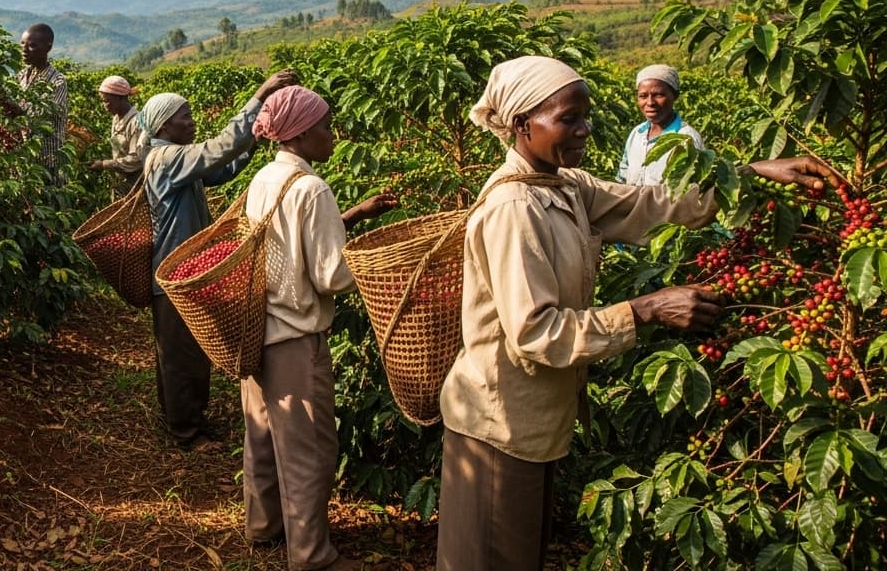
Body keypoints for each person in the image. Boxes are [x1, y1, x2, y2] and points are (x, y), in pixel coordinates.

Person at [435, 54, 838, 571]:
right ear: (521, 124)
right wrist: (645, 309)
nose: (584, 129)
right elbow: (538, 334)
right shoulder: (515, 210)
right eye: (568, 119)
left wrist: (750, 175)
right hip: (497, 425)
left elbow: (650, 204)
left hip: (530, 420)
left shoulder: (565, 185)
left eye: (586, 116)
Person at [243, 85, 396, 571]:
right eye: (327, 127)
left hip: (253, 329)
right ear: (304, 133)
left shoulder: (264, 178)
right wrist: (380, 265)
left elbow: (281, 247)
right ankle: (311, 556)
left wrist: (355, 216)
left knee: (263, 435)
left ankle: (265, 527)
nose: (333, 136)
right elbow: (332, 275)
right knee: (309, 450)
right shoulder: (312, 188)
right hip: (295, 336)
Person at [140, 68, 296, 447]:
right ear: (166, 125)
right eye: (185, 118)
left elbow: (220, 169)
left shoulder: (177, 160)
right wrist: (259, 97)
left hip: (186, 271)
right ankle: (185, 432)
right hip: (173, 272)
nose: (192, 123)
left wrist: (254, 141)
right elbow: (218, 148)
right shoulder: (166, 159)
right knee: (179, 356)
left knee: (188, 350)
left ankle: (186, 420)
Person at [1, 23, 68, 182]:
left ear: (48, 48)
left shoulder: (57, 82)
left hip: (48, 160)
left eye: (32, 46)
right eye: (22, 44)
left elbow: (40, 118)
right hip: (23, 157)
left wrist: (13, 108)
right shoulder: (22, 75)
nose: (24, 50)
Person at [617, 63, 703, 185]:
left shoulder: (687, 138)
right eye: (643, 96)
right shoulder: (637, 133)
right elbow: (623, 176)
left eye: (658, 95)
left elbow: (692, 189)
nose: (650, 102)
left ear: (675, 96)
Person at [86, 75, 144, 196]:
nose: (104, 105)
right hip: (121, 182)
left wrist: (104, 164)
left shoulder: (136, 122)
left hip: (137, 185)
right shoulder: (116, 118)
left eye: (107, 101)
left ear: (121, 99)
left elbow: (136, 159)